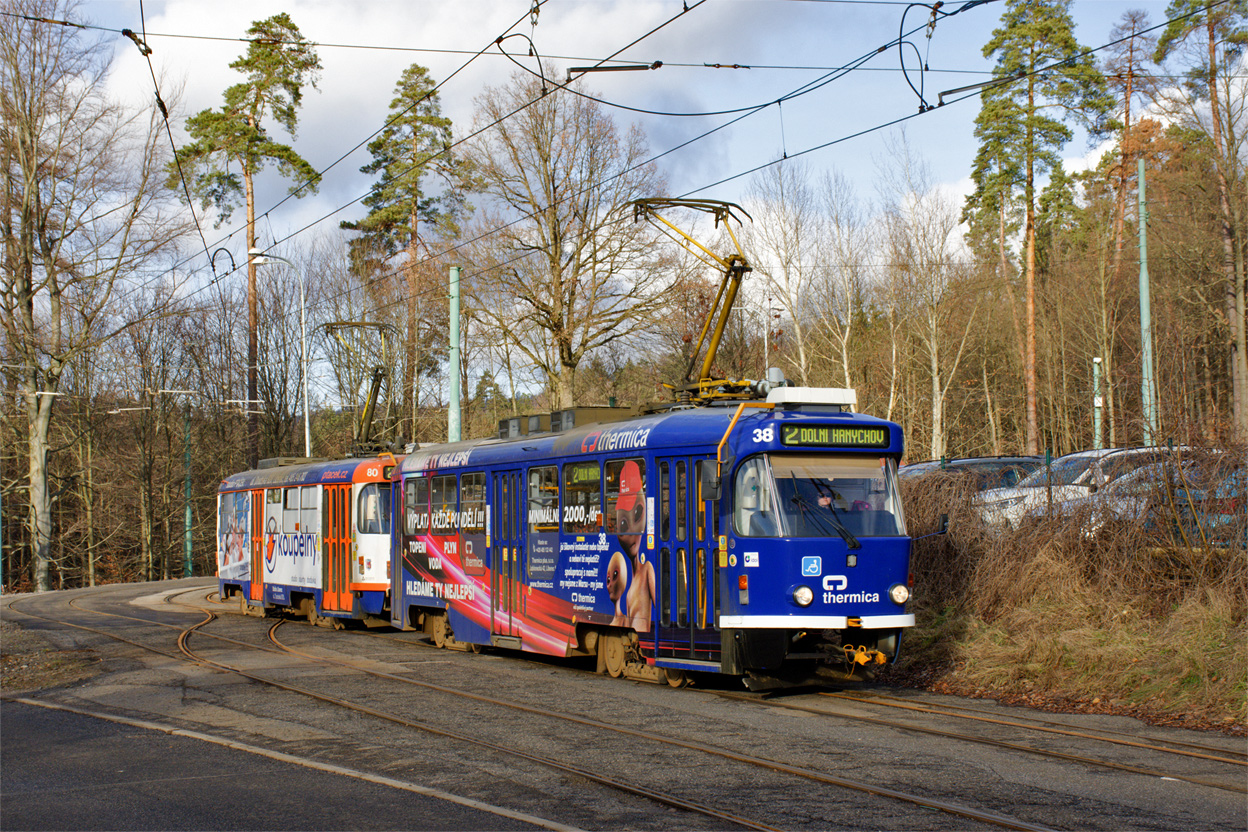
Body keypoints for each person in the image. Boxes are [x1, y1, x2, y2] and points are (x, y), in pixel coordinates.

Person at [615, 460, 655, 633]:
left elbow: (658, 604)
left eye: (638, 513)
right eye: (623, 524)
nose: (632, 532)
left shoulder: (647, 569)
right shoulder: (630, 584)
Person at [605, 551, 628, 626]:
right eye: (608, 580)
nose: (610, 584)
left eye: (615, 575)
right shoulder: (610, 624)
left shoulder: (625, 620)